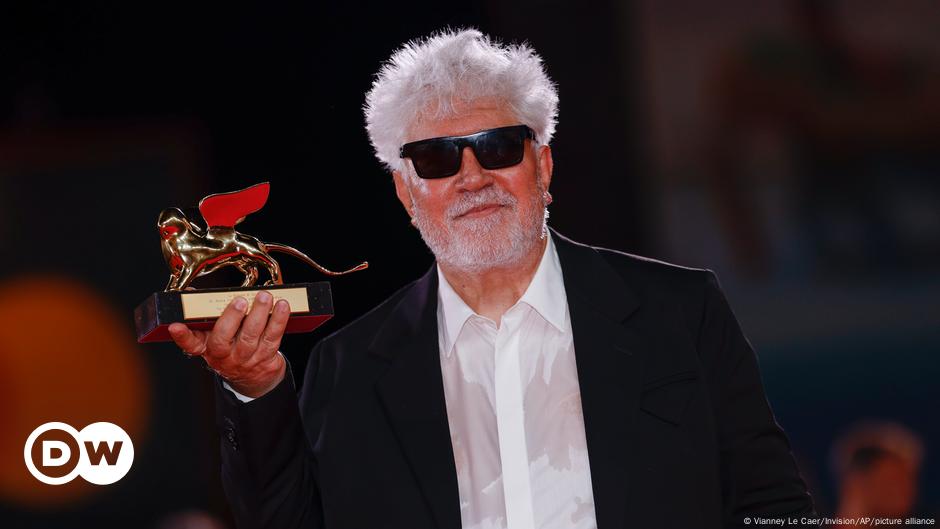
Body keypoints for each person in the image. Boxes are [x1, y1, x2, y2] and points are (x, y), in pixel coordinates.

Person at [168, 28, 815, 529]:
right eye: (437, 158)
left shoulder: (680, 311)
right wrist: (256, 388)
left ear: (543, 166)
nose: (472, 177)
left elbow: (773, 505)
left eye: (498, 146)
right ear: (406, 193)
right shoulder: (351, 367)